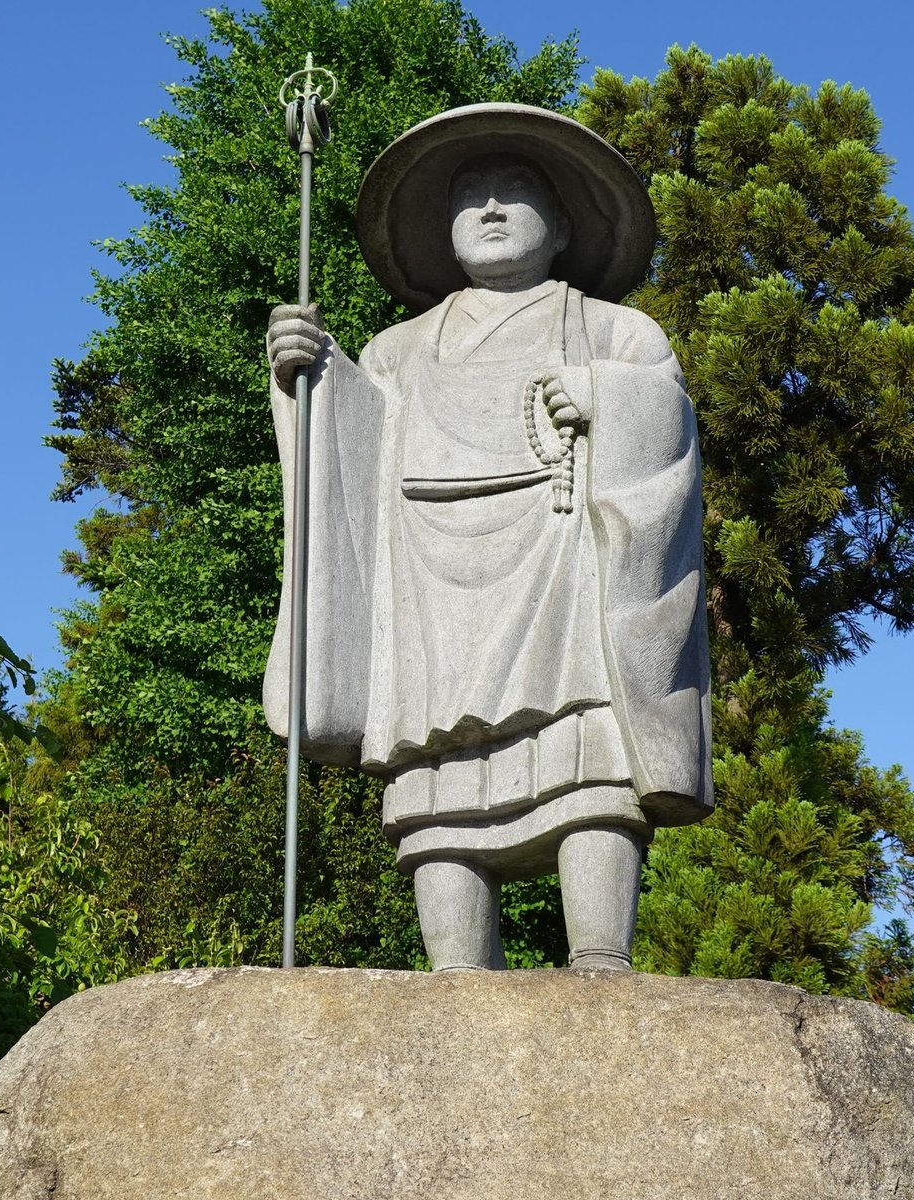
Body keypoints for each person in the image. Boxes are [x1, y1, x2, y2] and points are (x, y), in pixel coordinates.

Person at [264, 104, 712, 971]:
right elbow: (347, 457)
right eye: (471, 197)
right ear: (446, 230)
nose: (493, 208)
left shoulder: (617, 333)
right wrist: (306, 376)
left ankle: (600, 956)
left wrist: (610, 401)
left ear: (565, 225)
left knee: (590, 751)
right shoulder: (395, 351)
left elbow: (668, 436)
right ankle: (456, 973)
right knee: (438, 774)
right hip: (426, 575)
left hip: (566, 559)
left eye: (516, 192)